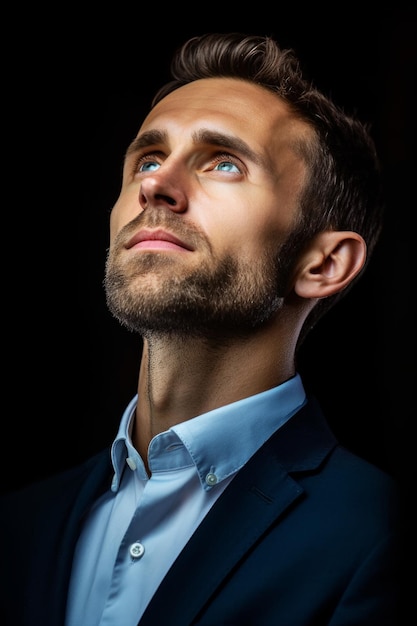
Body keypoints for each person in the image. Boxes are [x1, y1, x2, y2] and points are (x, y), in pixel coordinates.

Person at [1, 32, 404, 626]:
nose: (155, 186)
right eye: (147, 158)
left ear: (323, 264)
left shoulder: (379, 533)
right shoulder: (17, 526)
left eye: (223, 162)